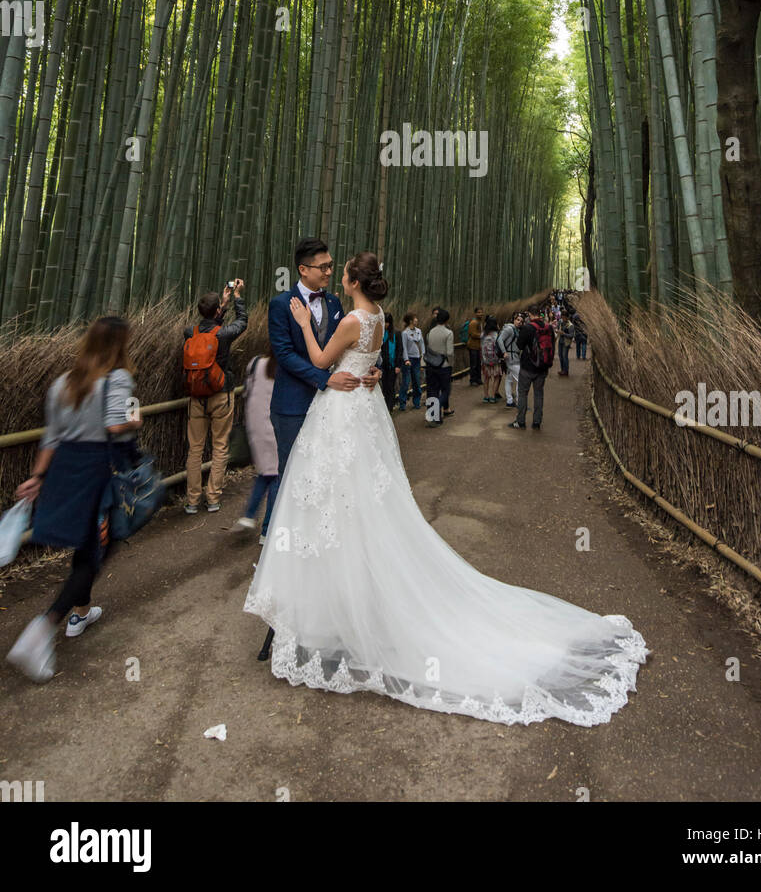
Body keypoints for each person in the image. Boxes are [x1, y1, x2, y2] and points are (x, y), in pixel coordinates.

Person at [244, 253, 647, 727]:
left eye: (340, 268)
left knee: (338, 504)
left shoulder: (347, 314)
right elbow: (342, 358)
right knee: (343, 506)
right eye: (324, 265)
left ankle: (345, 615)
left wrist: (311, 331)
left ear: (352, 281)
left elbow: (316, 358)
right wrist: (368, 369)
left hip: (340, 413)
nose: (332, 272)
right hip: (355, 412)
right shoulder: (370, 316)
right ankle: (320, 615)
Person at [6, 317, 143, 683]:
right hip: (99, 470)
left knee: (87, 548)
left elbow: (51, 437)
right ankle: (44, 627)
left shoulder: (62, 384)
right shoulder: (120, 379)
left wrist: (37, 477)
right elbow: (119, 424)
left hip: (67, 468)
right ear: (120, 346)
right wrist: (136, 417)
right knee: (100, 548)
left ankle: (80, 612)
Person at [268, 237, 380, 478]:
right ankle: (272, 519)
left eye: (331, 265)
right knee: (290, 476)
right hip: (294, 403)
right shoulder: (281, 304)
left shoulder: (334, 301)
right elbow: (285, 355)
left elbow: (350, 346)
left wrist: (372, 368)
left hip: (334, 405)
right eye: (323, 267)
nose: (329, 271)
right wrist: (325, 379)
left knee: (327, 475)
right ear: (303, 269)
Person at [183, 279, 247, 513]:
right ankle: (213, 498)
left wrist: (222, 305)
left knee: (195, 449)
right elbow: (242, 323)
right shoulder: (224, 334)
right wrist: (237, 297)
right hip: (221, 394)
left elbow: (208, 330)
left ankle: (191, 501)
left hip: (196, 397)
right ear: (217, 310)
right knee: (220, 447)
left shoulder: (190, 332)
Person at [231, 348, 279, 544]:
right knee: (276, 476)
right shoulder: (284, 369)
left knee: (266, 473)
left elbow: (246, 393)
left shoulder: (255, 362)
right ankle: (267, 530)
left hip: (255, 427)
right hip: (276, 426)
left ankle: (249, 515)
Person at [509, 308, 555, 432]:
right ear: (539, 314)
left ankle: (521, 421)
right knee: (538, 394)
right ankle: (536, 422)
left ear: (530, 314)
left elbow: (519, 345)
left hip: (527, 367)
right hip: (542, 368)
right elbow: (552, 347)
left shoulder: (527, 328)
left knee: (523, 393)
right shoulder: (548, 327)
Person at [425, 307, 455, 418]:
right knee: (446, 390)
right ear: (447, 320)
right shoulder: (448, 333)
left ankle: (434, 417)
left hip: (431, 365)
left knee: (433, 390)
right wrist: (451, 364)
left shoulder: (430, 333)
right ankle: (435, 409)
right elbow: (450, 352)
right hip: (444, 366)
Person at [399, 312, 424, 411]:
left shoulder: (419, 331)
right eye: (415, 319)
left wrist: (423, 355)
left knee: (417, 381)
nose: (417, 320)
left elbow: (422, 344)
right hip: (409, 359)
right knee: (406, 381)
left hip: (417, 358)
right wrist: (406, 359)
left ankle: (417, 402)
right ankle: (402, 403)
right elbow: (404, 347)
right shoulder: (405, 333)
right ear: (410, 321)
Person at [497, 312, 521, 408]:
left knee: (509, 379)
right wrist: (504, 352)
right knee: (521, 379)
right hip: (511, 358)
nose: (519, 322)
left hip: (513, 356)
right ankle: (520, 402)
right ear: (513, 320)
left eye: (521, 321)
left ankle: (510, 401)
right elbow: (499, 339)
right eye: (517, 320)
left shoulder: (515, 329)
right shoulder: (509, 329)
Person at [378, 313, 401, 413]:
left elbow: (400, 349)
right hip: (382, 364)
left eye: (387, 322)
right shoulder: (380, 333)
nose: (386, 324)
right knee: (384, 386)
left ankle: (390, 407)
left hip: (392, 364)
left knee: (391, 386)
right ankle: (385, 407)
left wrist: (398, 365)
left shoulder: (396, 333)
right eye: (384, 322)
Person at [480, 315, 502, 403]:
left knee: (486, 378)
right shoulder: (497, 335)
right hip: (496, 360)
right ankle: (493, 396)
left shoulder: (483, 334)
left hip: (485, 360)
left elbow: (481, 346)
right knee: (496, 377)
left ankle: (486, 396)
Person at [466, 306, 483, 385]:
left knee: (478, 364)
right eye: (479, 312)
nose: (480, 314)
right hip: (473, 346)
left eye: (481, 312)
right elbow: (473, 334)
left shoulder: (480, 322)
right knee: (474, 364)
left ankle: (478, 379)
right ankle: (473, 380)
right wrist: (482, 335)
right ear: (475, 313)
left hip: (478, 346)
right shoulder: (473, 322)